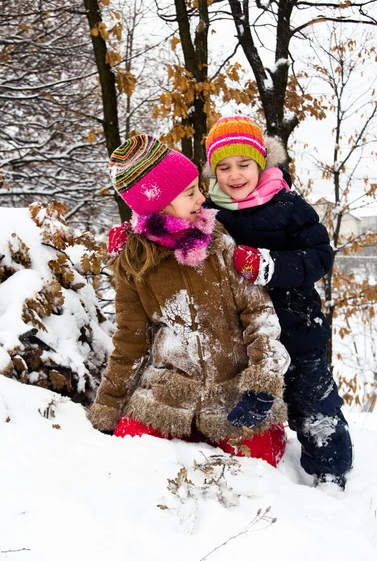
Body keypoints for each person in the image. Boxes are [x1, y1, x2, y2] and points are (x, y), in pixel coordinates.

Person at [88, 135, 291, 467]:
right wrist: (108, 407)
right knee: (130, 455)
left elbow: (259, 313)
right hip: (172, 394)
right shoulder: (134, 262)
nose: (202, 197)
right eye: (189, 193)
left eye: (199, 187)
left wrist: (262, 382)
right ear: (158, 203)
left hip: (231, 392)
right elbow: (130, 340)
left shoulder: (219, 243)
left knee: (259, 464)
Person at [204, 115, 353, 488]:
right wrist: (138, 234)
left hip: (296, 327)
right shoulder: (210, 212)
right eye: (223, 167)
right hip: (246, 336)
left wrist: (269, 264)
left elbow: (319, 255)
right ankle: (251, 468)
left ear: (261, 163)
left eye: (243, 165)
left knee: (312, 402)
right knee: (246, 401)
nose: (234, 175)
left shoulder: (288, 204)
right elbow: (175, 228)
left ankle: (330, 473)